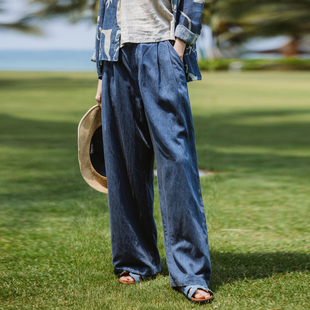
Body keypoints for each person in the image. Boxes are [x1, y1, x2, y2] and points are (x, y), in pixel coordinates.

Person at [93, 0, 213, 304]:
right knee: (124, 163)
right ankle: (136, 260)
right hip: (116, 55)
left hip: (161, 48)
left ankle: (190, 273)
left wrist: (178, 47)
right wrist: (100, 73)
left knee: (177, 162)